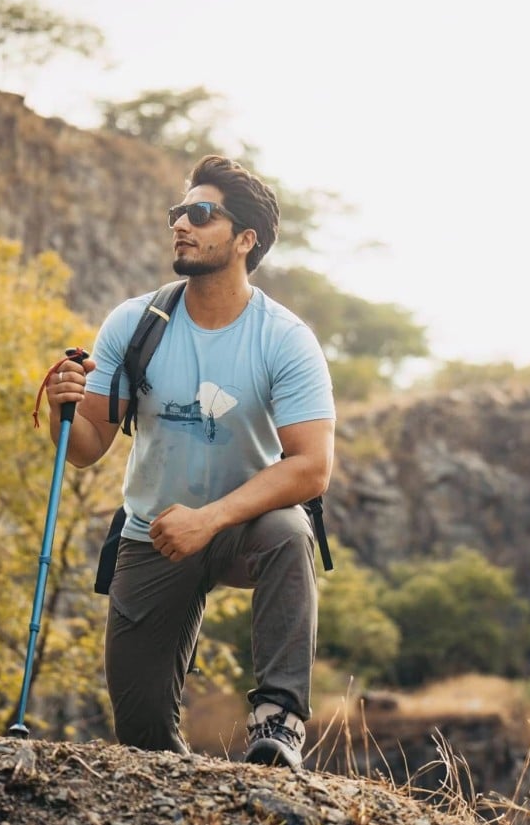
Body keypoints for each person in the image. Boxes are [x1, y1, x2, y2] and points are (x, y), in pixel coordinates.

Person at [45, 154, 335, 768]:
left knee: (290, 530)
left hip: (242, 527)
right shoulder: (135, 323)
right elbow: (86, 450)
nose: (182, 223)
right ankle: (204, 800)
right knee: (143, 736)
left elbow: (311, 468)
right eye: (180, 212)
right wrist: (63, 409)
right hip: (152, 532)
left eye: (201, 214)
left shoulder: (283, 338)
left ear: (244, 240)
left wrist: (210, 519)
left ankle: (278, 722)